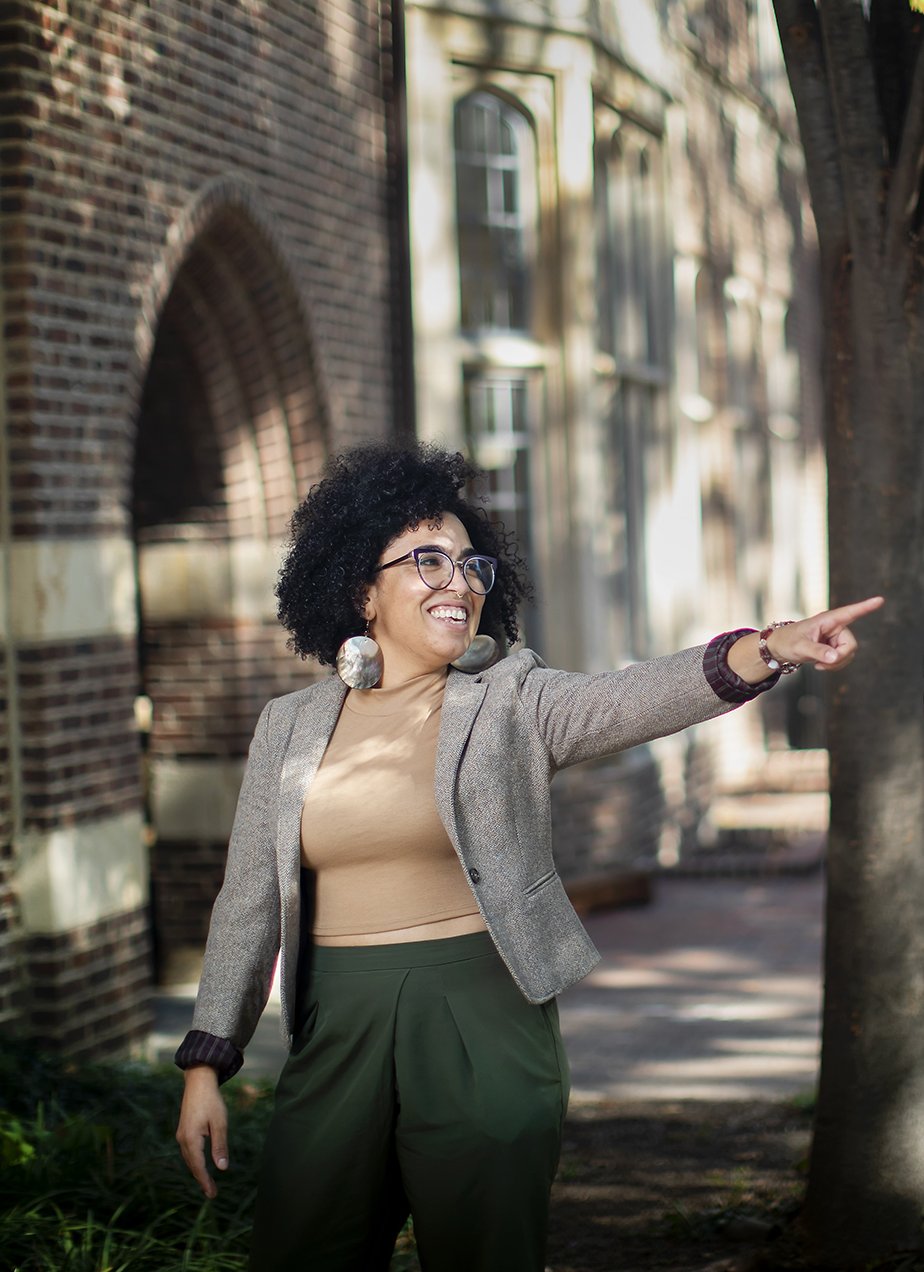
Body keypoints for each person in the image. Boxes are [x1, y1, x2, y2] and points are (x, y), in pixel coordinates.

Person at [170, 441, 880, 1272]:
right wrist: (206, 1059)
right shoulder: (287, 727)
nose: (458, 581)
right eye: (426, 559)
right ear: (361, 588)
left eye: (471, 564)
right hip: (338, 1029)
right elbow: (247, 899)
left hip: (482, 1018)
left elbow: (633, 696)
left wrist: (773, 646)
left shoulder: (511, 701)